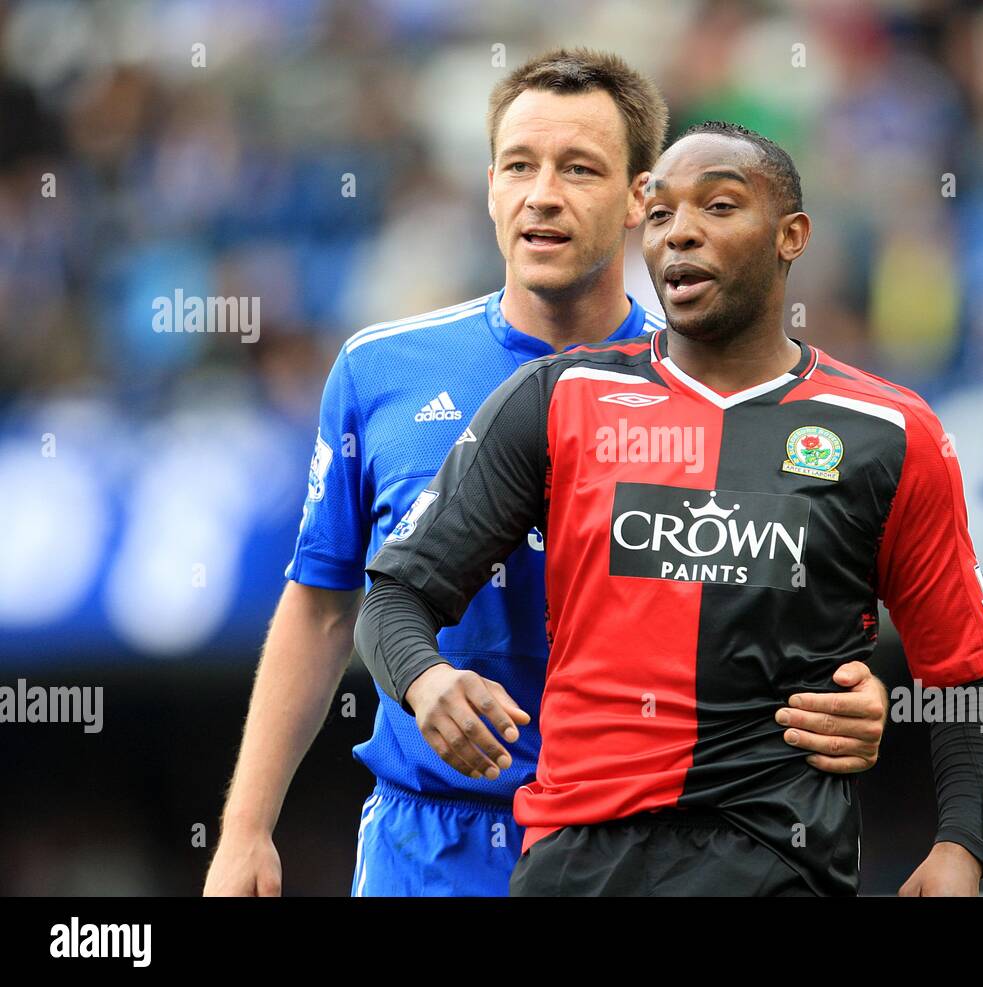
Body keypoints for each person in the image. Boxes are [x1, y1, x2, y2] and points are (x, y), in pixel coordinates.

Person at [205, 51, 889, 898]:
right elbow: (320, 604)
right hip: (429, 842)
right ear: (489, 184)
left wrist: (866, 693)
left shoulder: (716, 386)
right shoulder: (381, 370)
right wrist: (244, 828)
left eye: (580, 169)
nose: (543, 194)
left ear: (643, 198)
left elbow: (831, 588)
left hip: (630, 845)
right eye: (519, 166)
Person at [354, 121, 983, 896]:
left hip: (778, 864)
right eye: (660, 214)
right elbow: (396, 593)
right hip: (577, 864)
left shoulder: (889, 432)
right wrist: (425, 679)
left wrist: (960, 847)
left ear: (791, 236)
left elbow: (968, 669)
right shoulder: (560, 397)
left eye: (720, 206)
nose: (681, 235)